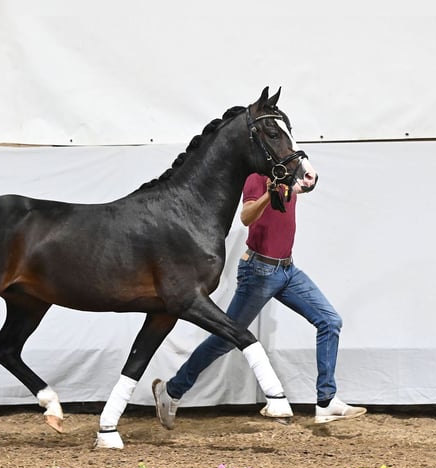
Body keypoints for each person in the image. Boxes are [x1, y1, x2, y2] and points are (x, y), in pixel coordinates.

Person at [152, 172, 366, 428]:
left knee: (330, 321)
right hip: (259, 271)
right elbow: (246, 216)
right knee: (224, 339)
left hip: (288, 270)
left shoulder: (286, 174)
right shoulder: (256, 177)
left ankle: (326, 401)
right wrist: (268, 194)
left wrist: (309, 181)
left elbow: (301, 187)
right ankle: (172, 390)